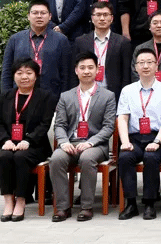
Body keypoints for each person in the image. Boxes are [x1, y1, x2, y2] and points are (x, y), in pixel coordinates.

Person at [49, 52, 116, 222]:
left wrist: (91, 142)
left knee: (87, 158)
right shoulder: (66, 96)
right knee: (56, 159)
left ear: (97, 70)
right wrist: (63, 142)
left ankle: (86, 207)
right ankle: (63, 207)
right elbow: (60, 125)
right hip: (71, 142)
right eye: (82, 68)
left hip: (95, 145)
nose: (86, 71)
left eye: (90, 67)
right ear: (76, 70)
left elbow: (108, 126)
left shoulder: (108, 96)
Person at [0, 58, 55, 222]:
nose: (24, 77)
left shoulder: (45, 97)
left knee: (21, 157)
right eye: (19, 73)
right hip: (9, 143)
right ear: (14, 76)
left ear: (36, 75)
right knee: (4, 156)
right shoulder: (6, 96)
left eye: (29, 73)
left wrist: (28, 141)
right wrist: (5, 141)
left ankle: (21, 201)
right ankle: (8, 201)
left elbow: (44, 124)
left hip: (35, 145)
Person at [116, 48, 161, 220]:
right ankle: (131, 203)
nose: (146, 66)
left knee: (151, 157)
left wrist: (157, 142)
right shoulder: (127, 90)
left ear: (157, 66)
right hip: (134, 138)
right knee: (125, 157)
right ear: (135, 67)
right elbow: (122, 118)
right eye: (141, 63)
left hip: (157, 138)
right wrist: (125, 142)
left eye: (150, 62)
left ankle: (149, 203)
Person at [1, 0, 71, 97]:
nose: (39, 16)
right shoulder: (15, 39)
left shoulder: (61, 40)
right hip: (20, 94)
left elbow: (66, 75)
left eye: (43, 13)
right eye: (35, 13)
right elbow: (7, 71)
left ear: (50, 16)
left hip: (51, 96)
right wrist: (7, 97)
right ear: (28, 16)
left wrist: (63, 100)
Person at [73, 1, 132, 100]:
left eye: (105, 15)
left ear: (112, 18)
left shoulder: (123, 42)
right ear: (92, 18)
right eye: (98, 15)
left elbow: (126, 75)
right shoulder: (81, 42)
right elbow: (74, 72)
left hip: (113, 94)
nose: (102, 18)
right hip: (86, 93)